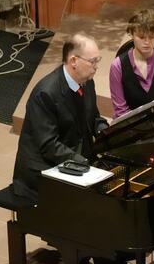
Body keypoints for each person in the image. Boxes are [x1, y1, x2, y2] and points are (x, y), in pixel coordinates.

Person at [12, 33, 108, 200]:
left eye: (97, 61)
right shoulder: (46, 93)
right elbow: (49, 145)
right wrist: (84, 163)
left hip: (73, 157)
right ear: (73, 61)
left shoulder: (86, 82)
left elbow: (93, 117)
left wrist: (107, 132)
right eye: (92, 61)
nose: (96, 67)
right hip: (44, 168)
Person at [109, 9, 154, 118]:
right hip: (131, 124)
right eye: (141, 37)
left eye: (151, 37)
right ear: (131, 34)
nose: (147, 42)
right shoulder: (117, 66)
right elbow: (120, 111)